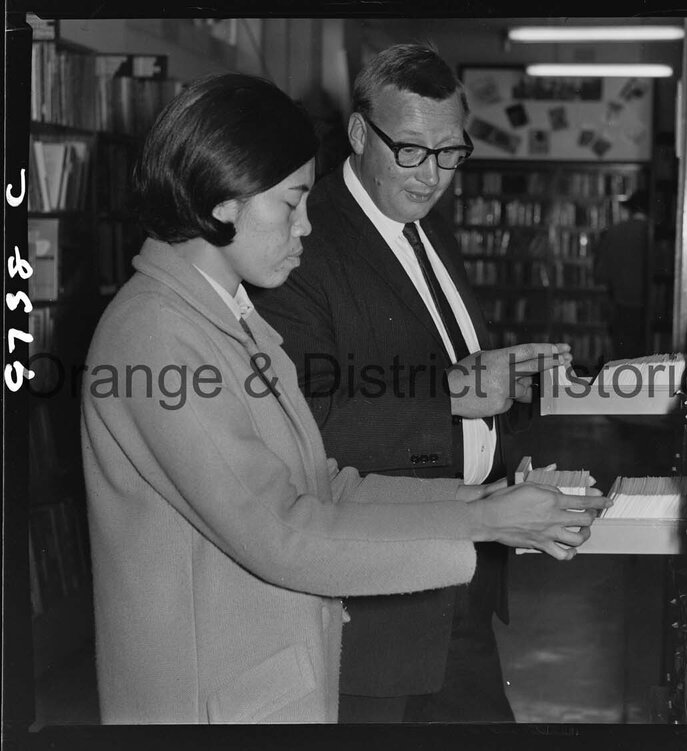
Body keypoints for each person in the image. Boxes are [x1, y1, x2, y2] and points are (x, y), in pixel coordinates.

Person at [80, 73, 610, 724]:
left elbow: (323, 484)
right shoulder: (156, 336)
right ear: (224, 202)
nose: (307, 226)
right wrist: (487, 524)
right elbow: (282, 531)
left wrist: (483, 501)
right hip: (214, 704)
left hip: (267, 685)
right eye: (291, 203)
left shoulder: (230, 316)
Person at [250, 44, 565, 723]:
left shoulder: (424, 221)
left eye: (451, 153)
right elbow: (303, 420)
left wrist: (510, 406)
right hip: (377, 613)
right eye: (412, 151)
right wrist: (453, 392)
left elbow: (447, 364)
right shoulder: (302, 241)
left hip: (460, 575)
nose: (434, 175)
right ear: (361, 133)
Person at [594, 189, 650, 360]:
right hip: (651, 310)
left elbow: (600, 274)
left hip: (620, 307)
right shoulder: (653, 233)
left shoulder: (614, 232)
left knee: (623, 361)